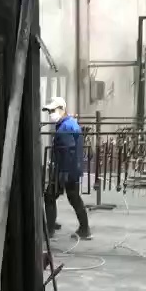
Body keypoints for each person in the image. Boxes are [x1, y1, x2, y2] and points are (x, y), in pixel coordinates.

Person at [43, 96, 91, 240]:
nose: (50, 114)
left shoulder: (65, 127)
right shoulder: (69, 123)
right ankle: (83, 229)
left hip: (66, 169)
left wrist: (62, 172)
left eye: (53, 110)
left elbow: (67, 151)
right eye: (49, 111)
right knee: (73, 198)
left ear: (62, 109)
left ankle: (50, 230)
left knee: (50, 196)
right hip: (72, 169)